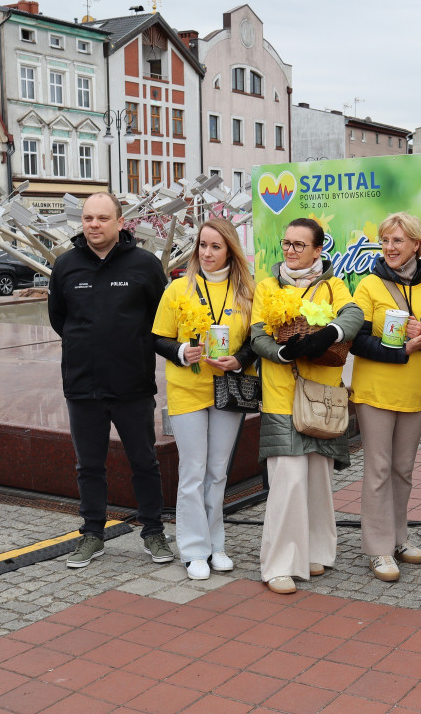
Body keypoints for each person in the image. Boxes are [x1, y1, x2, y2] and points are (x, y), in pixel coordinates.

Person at [48, 191, 174, 568]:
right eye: (88, 219)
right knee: (88, 465)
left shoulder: (146, 265)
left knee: (144, 461)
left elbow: (161, 321)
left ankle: (153, 531)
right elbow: (60, 320)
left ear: (121, 223)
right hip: (83, 385)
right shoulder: (66, 266)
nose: (94, 225)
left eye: (103, 218)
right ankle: (92, 534)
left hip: (132, 384)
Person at [249, 218, 364, 594]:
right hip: (283, 397)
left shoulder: (333, 285)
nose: (291, 251)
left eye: (300, 245)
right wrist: (282, 351)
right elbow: (256, 335)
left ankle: (317, 552)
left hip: (325, 399)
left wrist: (330, 333)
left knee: (318, 479)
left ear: (318, 250)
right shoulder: (267, 286)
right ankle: (279, 564)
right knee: (288, 481)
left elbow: (354, 315)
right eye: (287, 244)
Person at [152, 218, 256, 580]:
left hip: (228, 388)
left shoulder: (246, 291)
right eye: (202, 245)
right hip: (187, 390)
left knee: (217, 472)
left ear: (230, 249)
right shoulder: (178, 288)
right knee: (193, 471)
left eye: (215, 246)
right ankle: (194, 550)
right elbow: (157, 338)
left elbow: (256, 341)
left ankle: (217, 544)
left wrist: (239, 359)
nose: (207, 253)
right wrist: (181, 351)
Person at [351, 212, 421, 582]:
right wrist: (401, 351)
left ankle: (398, 538)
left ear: (416, 244)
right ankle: (377, 549)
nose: (390, 248)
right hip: (375, 391)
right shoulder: (369, 285)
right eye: (386, 240)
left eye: (398, 241)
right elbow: (357, 341)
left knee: (403, 469)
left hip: (416, 391)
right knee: (378, 469)